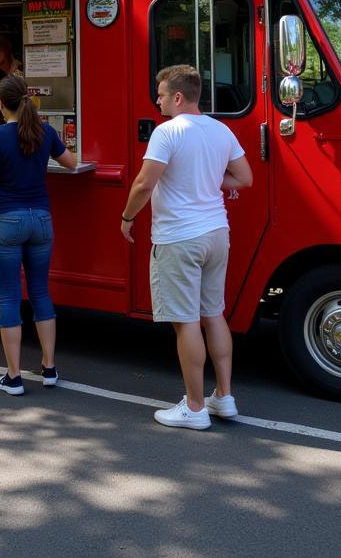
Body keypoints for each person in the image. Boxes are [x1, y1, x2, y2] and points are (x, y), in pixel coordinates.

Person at [121, 64, 253, 430]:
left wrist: (128, 217)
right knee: (213, 314)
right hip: (216, 233)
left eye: (161, 95)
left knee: (186, 322)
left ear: (178, 97)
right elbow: (245, 178)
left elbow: (145, 184)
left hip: (179, 238)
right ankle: (223, 397)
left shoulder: (167, 132)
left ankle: (194, 407)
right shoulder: (221, 130)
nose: (158, 101)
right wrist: (211, 180)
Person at [0, 75, 76, 394]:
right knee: (40, 293)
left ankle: (14, 376)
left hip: (7, 220)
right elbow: (72, 163)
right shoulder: (44, 131)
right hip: (41, 220)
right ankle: (49, 368)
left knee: (9, 296)